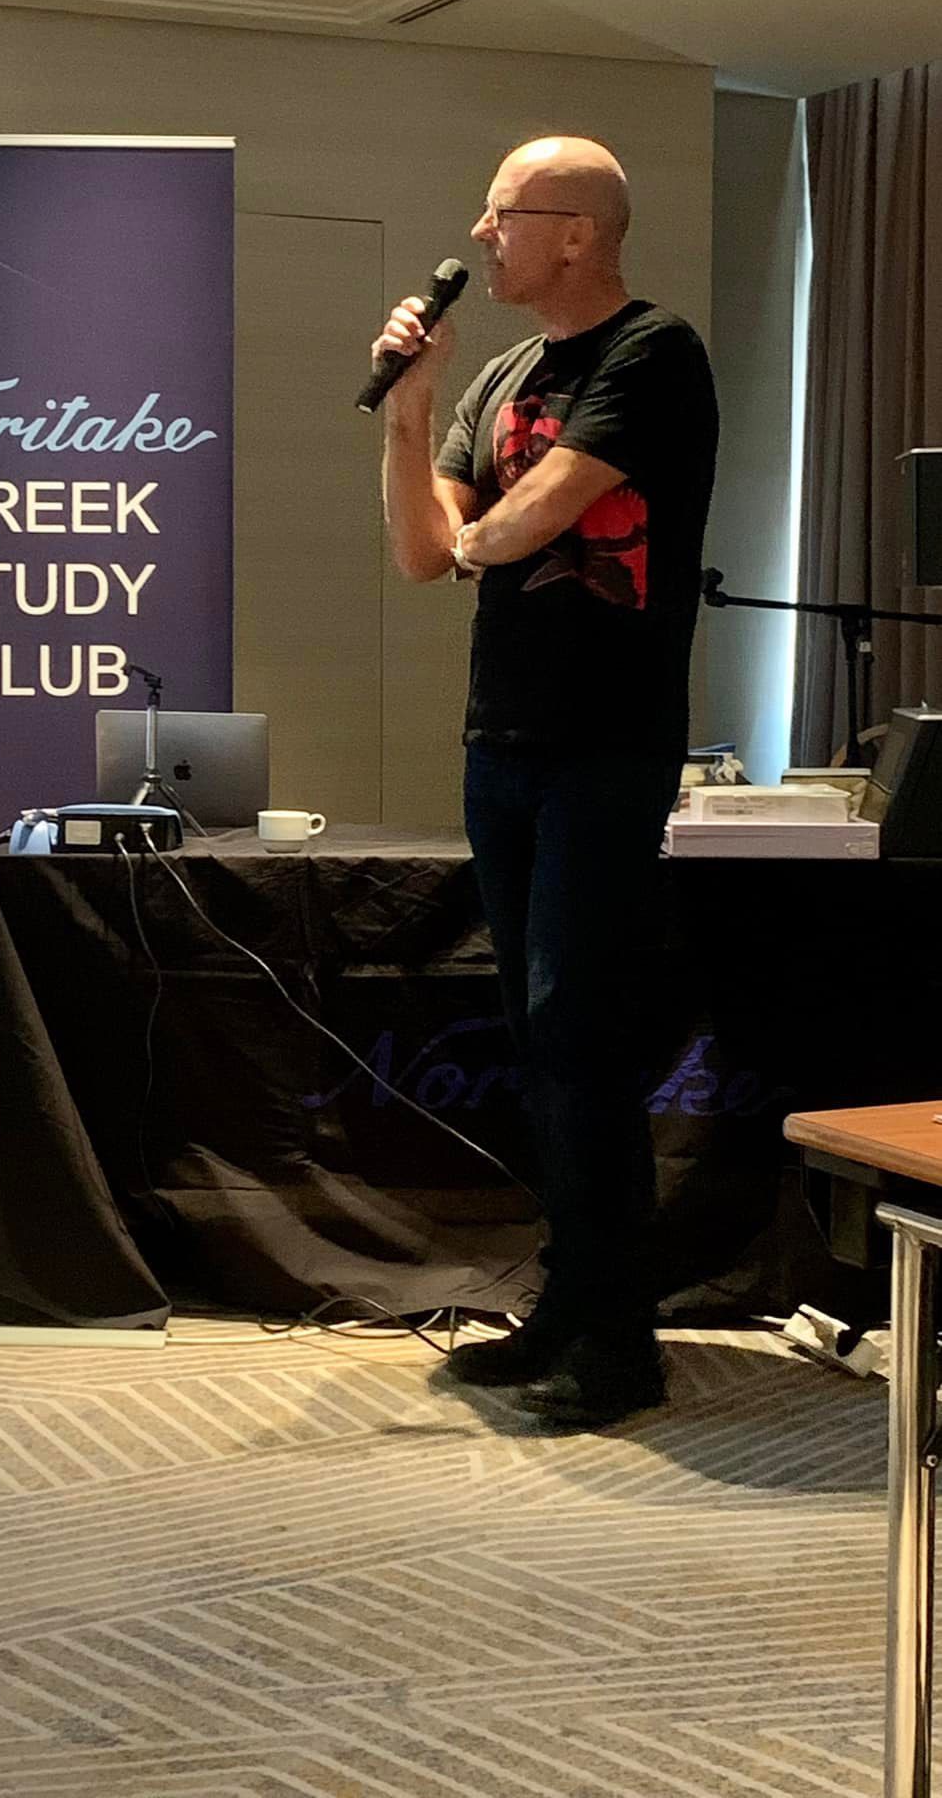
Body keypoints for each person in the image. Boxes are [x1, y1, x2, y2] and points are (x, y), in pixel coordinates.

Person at [377, 136, 719, 1427]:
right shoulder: (502, 374)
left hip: (606, 746)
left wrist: (474, 529)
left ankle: (620, 1346)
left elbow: (531, 516)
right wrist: (412, 411)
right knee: (537, 1042)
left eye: (503, 212)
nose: (481, 233)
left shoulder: (652, 352)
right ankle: (572, 1303)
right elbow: (422, 554)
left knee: (581, 1036)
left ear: (576, 232)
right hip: (502, 744)